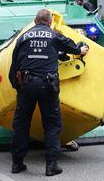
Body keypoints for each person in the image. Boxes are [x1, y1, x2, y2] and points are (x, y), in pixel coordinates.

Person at [9, 9, 89, 176]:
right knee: (52, 125)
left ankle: (17, 163)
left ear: (35, 20)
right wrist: (81, 50)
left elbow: (13, 66)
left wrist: (19, 88)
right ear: (50, 22)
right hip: (48, 85)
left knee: (21, 124)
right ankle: (51, 165)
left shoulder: (23, 37)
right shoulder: (53, 35)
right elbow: (72, 47)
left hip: (26, 84)